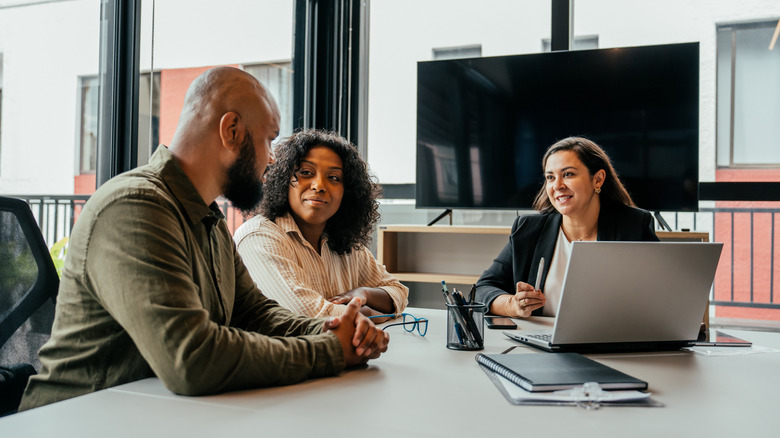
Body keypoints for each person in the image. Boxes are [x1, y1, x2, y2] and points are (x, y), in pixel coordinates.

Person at [19, 67, 388, 411]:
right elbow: (191, 357)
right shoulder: (135, 207)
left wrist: (333, 330)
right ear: (232, 131)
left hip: (153, 413)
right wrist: (329, 351)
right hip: (76, 417)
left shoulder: (207, 217)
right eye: (268, 140)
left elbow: (254, 312)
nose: (273, 160)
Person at [475, 136, 659, 318]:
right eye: (550, 177)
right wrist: (513, 305)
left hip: (610, 335)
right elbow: (482, 289)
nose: (557, 186)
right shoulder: (528, 229)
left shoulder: (633, 226)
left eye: (568, 174)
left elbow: (662, 291)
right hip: (541, 336)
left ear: (598, 179)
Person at [234, 130, 408, 321]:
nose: (319, 185)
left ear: (347, 192)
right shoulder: (258, 237)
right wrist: (369, 313)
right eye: (306, 173)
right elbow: (309, 316)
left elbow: (399, 293)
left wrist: (364, 293)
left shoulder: (344, 242)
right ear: (282, 179)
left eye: (334, 177)